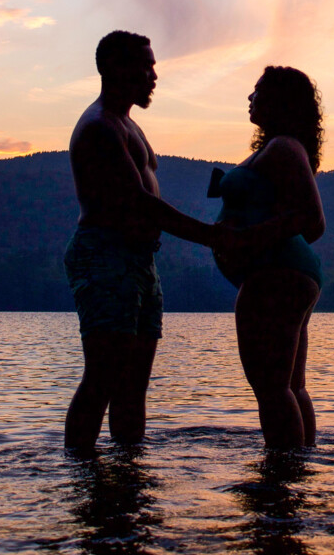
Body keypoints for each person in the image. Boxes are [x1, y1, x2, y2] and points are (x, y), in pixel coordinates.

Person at [64, 30, 230, 452]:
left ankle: (127, 474)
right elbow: (140, 204)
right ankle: (80, 475)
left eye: (153, 65)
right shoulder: (100, 127)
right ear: (113, 68)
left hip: (139, 261)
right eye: (145, 66)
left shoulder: (127, 125)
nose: (153, 75)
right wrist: (211, 236)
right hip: (104, 255)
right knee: (103, 375)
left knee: (134, 383)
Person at [213, 66, 326, 450]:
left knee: (272, 387)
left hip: (275, 275)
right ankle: (299, 474)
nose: (250, 97)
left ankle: (279, 485)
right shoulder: (276, 148)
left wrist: (245, 239)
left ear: (279, 100)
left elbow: (313, 221)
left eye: (257, 91)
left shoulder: (284, 146)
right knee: (291, 385)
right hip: (286, 275)